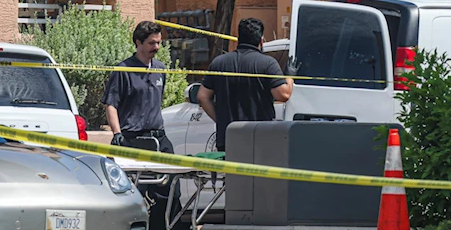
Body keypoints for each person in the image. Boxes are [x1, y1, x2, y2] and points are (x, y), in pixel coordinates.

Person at [101, 20, 186, 230]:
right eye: (151, 43)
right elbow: (111, 104)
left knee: (171, 188)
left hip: (159, 138)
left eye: (158, 43)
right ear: (138, 42)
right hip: (133, 139)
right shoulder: (124, 70)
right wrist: (117, 133)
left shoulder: (159, 69)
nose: (156, 47)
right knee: (134, 190)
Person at [197, 17, 301, 152]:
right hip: (259, 139)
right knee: (257, 173)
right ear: (261, 40)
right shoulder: (267, 64)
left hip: (229, 138)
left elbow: (202, 97)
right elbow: (283, 94)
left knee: (233, 174)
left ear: (238, 39)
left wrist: (222, 120)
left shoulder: (219, 63)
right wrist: (289, 76)